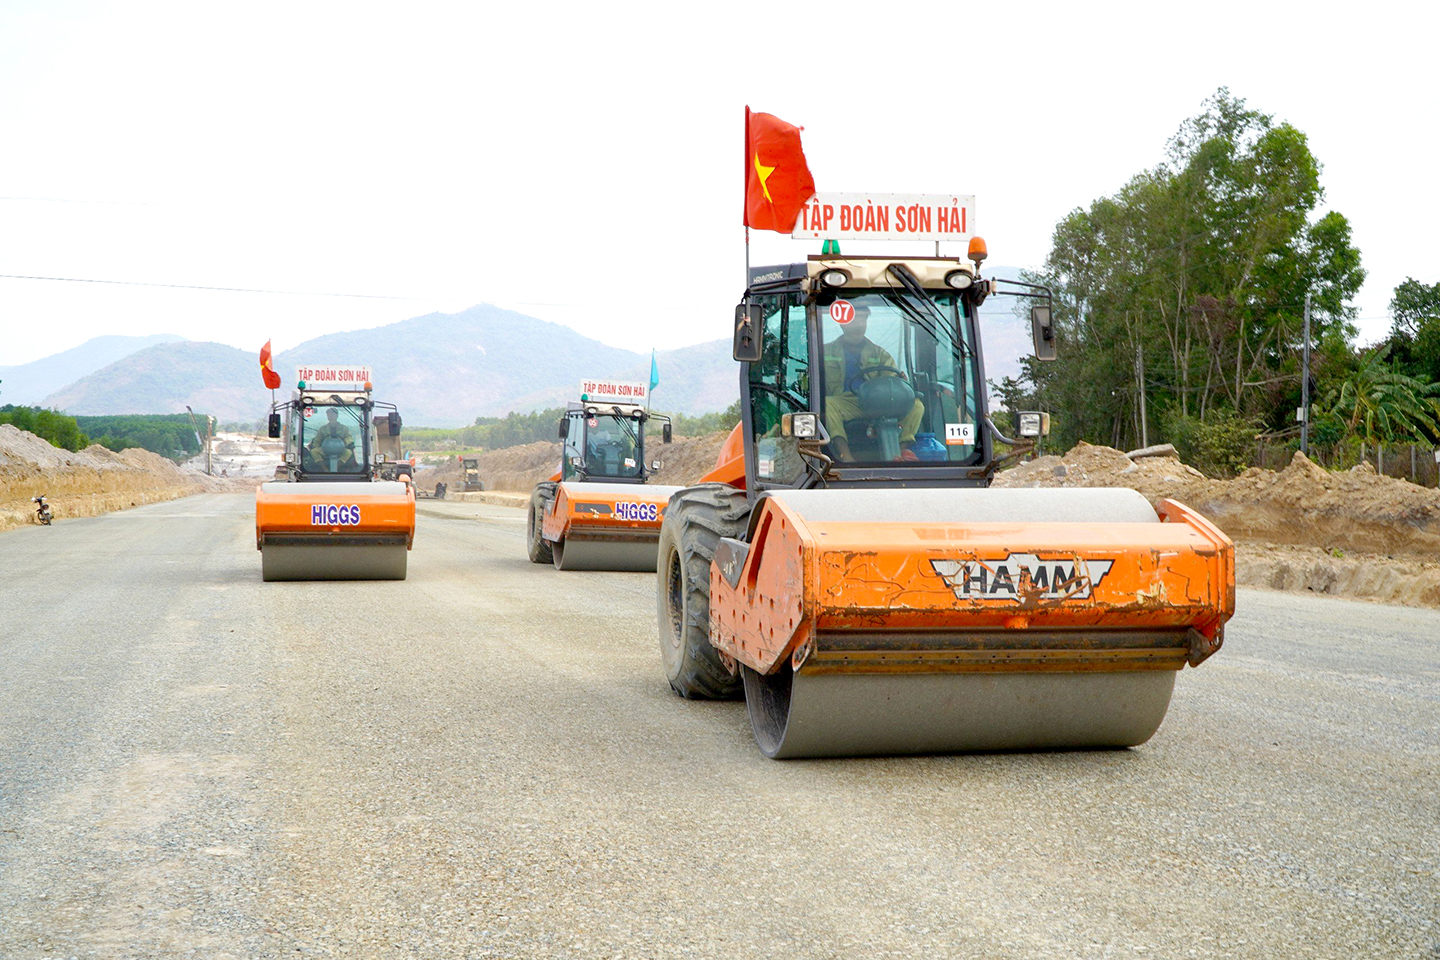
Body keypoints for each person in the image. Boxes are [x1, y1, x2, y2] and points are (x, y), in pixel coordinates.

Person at [821, 302, 924, 461]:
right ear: (842, 323)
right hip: (845, 402)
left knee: (917, 405)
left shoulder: (881, 354)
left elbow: (892, 381)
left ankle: (898, 454)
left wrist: (900, 384)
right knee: (827, 404)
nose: (859, 325)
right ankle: (845, 456)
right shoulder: (823, 352)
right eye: (854, 320)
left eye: (862, 320)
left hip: (877, 403)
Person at [306, 407, 358, 472]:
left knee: (348, 452)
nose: (330, 416)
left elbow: (349, 438)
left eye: (332, 414)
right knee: (314, 451)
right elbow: (317, 440)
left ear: (336, 415)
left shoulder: (344, 428)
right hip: (325, 450)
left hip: (341, 450)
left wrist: (344, 443)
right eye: (329, 414)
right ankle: (325, 469)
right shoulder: (323, 429)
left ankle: (337, 467)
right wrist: (315, 446)